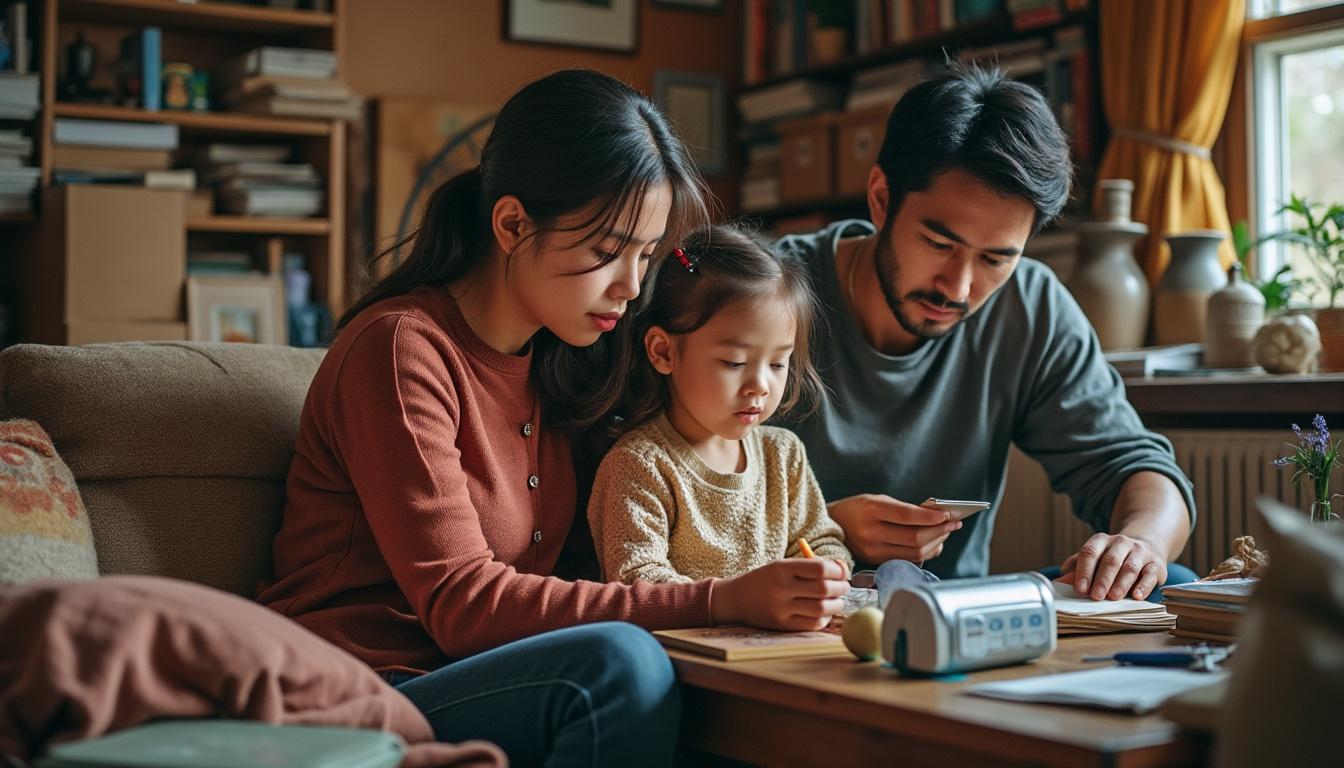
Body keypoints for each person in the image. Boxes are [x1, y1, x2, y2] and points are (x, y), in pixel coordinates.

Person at [256, 70, 848, 767]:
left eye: (646, 255)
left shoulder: (569, 358)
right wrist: (721, 600)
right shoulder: (400, 350)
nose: (632, 286)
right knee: (620, 666)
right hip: (366, 685)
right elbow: (463, 606)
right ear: (513, 224)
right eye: (607, 252)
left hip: (491, 673)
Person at [773, 64, 1198, 603]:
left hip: (954, 610)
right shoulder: (766, 295)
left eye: (996, 259)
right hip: (789, 607)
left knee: (1169, 582)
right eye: (939, 244)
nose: (958, 287)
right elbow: (684, 515)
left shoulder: (1030, 306)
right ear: (881, 198)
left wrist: (1140, 545)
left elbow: (1137, 469)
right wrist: (823, 526)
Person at [587, 224, 855, 595]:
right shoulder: (640, 466)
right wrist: (739, 600)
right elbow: (637, 579)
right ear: (663, 352)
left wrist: (829, 568)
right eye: (734, 363)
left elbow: (820, 540)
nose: (760, 385)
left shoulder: (783, 455)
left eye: (778, 363)